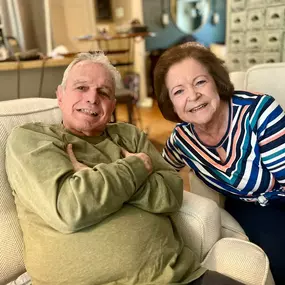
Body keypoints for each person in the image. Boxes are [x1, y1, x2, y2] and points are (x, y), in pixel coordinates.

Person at [5, 52, 243, 285]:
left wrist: (97, 184)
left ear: (112, 105)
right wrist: (136, 167)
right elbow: (70, 207)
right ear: (60, 95)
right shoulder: (32, 139)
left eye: (103, 92)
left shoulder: (128, 135)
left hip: (178, 276)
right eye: (81, 87)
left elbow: (171, 193)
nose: (91, 98)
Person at [153, 42, 285, 285]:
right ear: (170, 103)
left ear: (216, 81)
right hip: (250, 207)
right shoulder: (182, 139)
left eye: (200, 82)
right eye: (178, 91)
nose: (193, 96)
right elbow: (161, 176)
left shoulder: (260, 112)